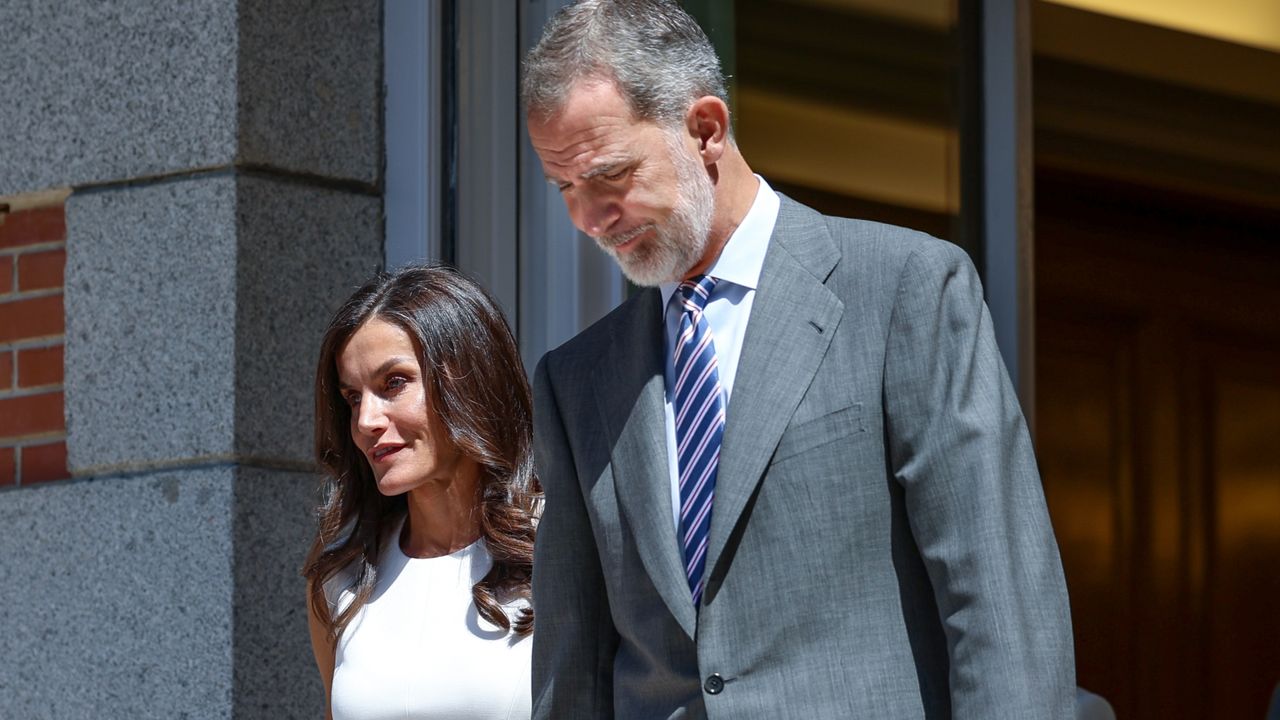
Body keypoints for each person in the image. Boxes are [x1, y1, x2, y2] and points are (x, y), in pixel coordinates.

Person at [521, 1, 1075, 718]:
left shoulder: (903, 291)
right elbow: (574, 670)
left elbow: (1000, 608)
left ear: (705, 130)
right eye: (564, 187)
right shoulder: (575, 382)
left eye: (609, 176)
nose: (586, 218)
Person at [303, 264, 540, 720]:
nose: (366, 421)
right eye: (353, 397)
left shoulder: (559, 546)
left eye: (393, 383)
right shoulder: (342, 573)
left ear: (470, 379)